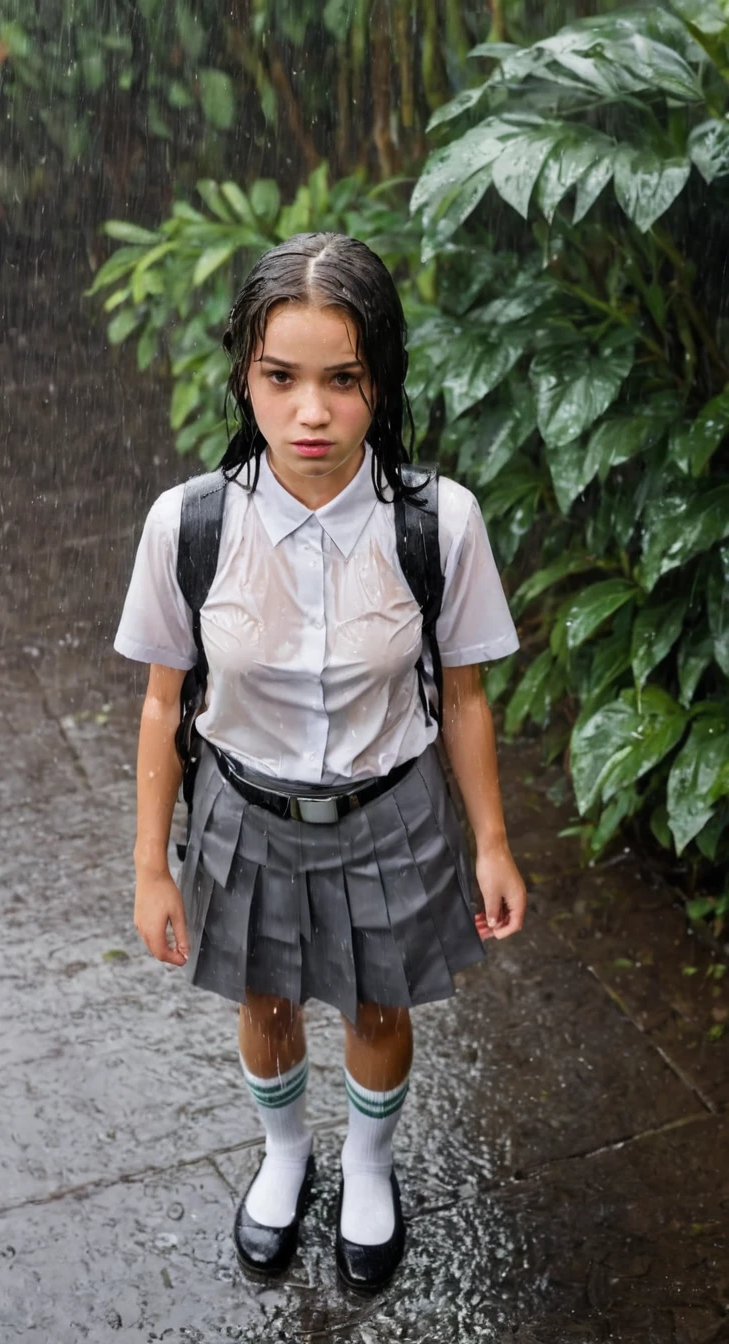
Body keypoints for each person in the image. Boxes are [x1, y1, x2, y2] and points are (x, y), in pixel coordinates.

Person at [113, 232, 527, 1292]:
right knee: (266, 998)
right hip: (242, 813)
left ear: (378, 381)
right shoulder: (190, 526)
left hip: (393, 808)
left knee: (380, 1003)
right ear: (243, 376)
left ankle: (371, 1163)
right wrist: (151, 865)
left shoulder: (438, 522)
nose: (311, 413)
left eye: (342, 380)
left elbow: (467, 693)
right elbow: (165, 703)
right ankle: (286, 1154)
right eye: (280, 377)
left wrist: (492, 841)